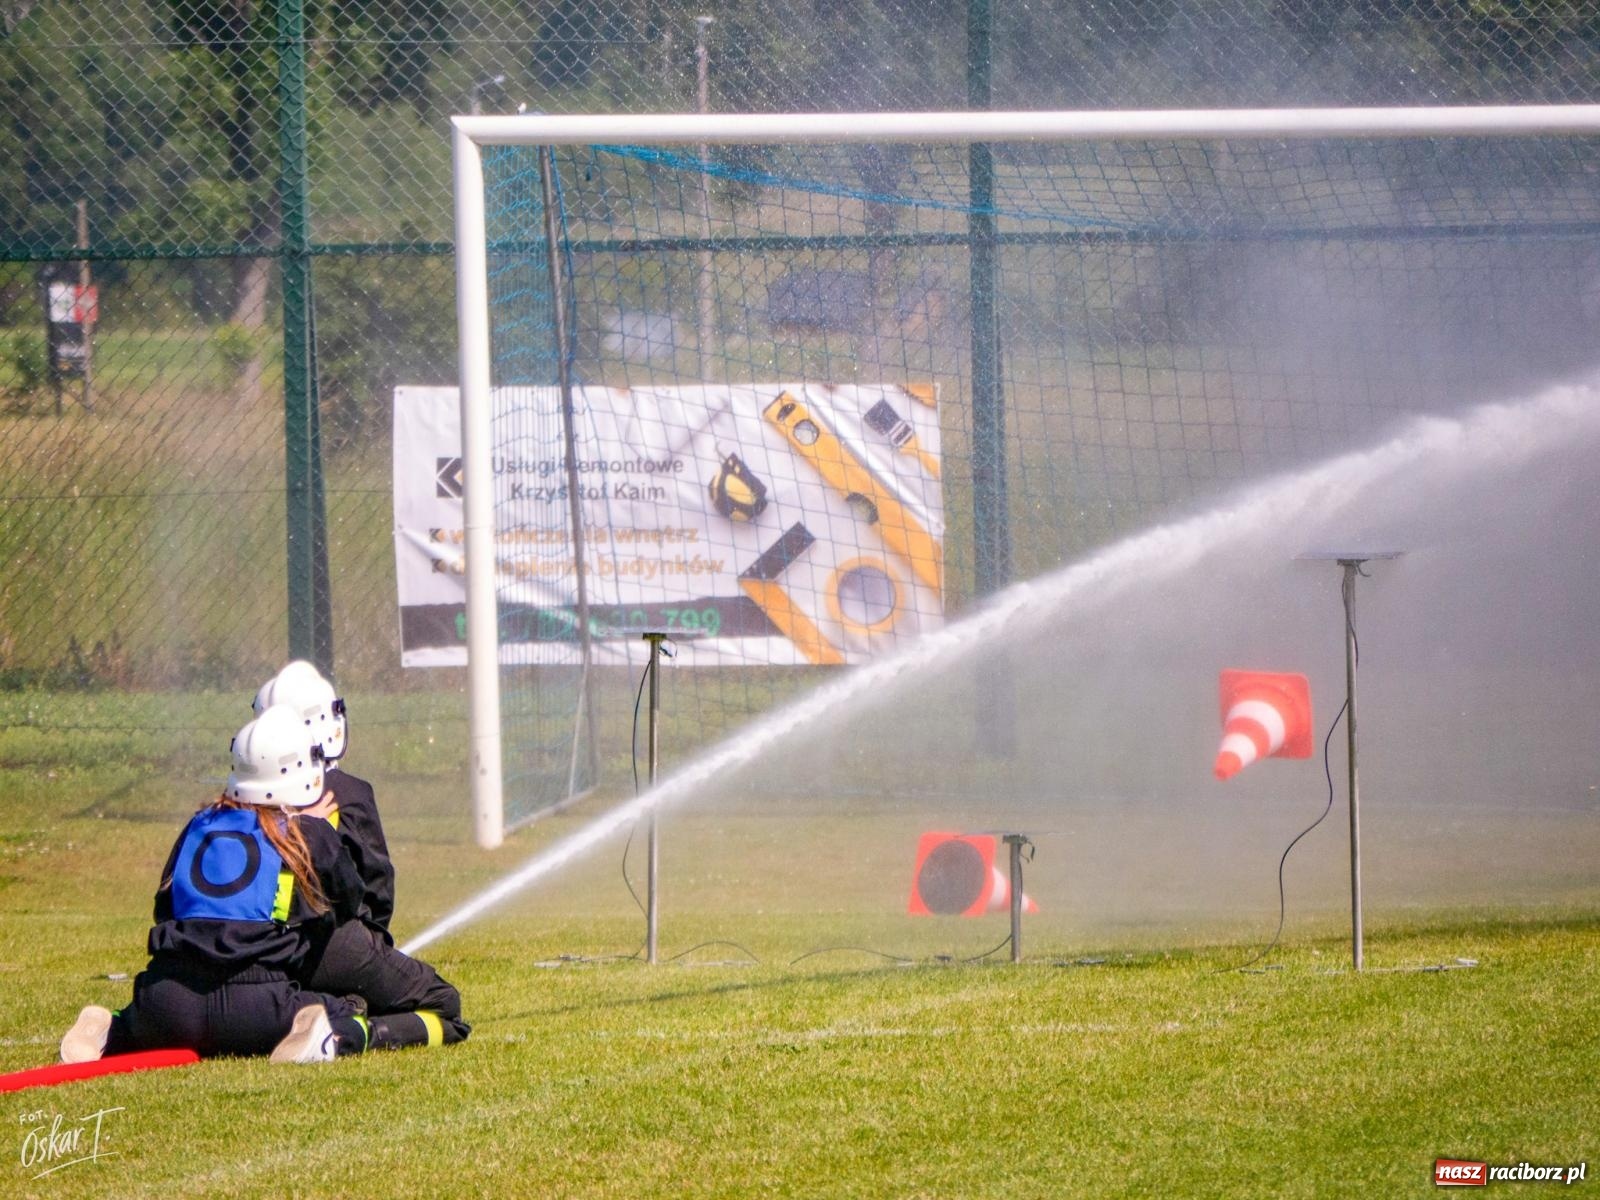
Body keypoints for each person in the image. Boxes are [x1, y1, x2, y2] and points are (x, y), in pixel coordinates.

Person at [57, 705, 449, 1064]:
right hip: (256, 1004)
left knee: (143, 1023)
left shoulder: (198, 825)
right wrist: (317, 831)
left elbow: (165, 909)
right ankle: (330, 1038)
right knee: (352, 1009)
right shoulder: (308, 834)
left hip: (164, 1000)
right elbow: (348, 906)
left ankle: (110, 1031)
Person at [252, 662, 470, 1053]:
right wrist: (376, 953)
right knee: (445, 1005)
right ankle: (350, 1032)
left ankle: (337, 1005)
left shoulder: (238, 802)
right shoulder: (349, 793)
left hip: (256, 954)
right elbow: (376, 889)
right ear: (329, 722)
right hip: (332, 947)